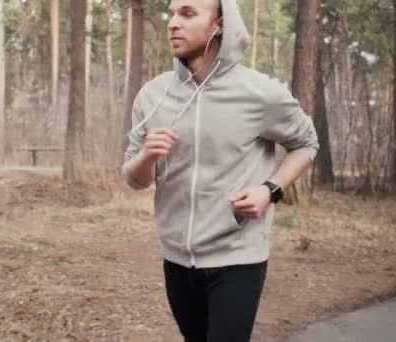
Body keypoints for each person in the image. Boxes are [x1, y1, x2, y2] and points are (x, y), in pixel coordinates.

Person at [121, 0, 319, 341]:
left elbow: (307, 143)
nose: (172, 23)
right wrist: (146, 158)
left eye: (187, 13)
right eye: (171, 13)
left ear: (220, 24)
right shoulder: (153, 95)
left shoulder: (259, 93)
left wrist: (269, 190)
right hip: (176, 259)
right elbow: (134, 179)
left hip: (238, 257)